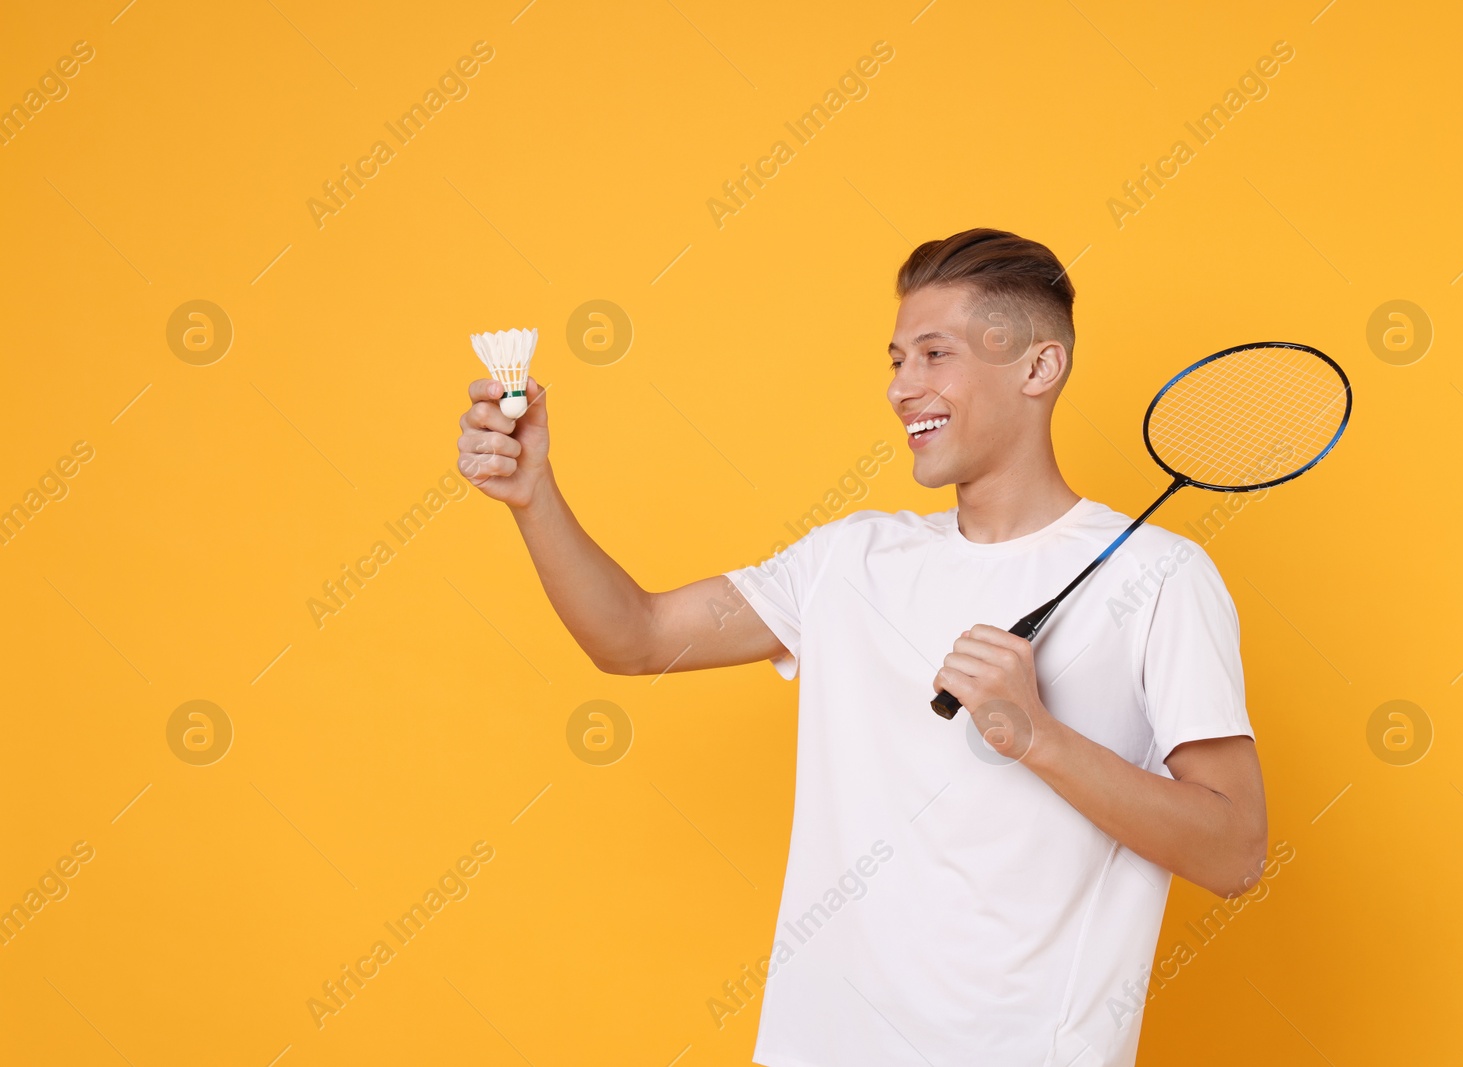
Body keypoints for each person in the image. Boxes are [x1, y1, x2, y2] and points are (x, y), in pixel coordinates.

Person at [455, 228, 1268, 1066]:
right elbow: (635, 636)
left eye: (933, 354)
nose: (901, 387)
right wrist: (533, 495)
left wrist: (1038, 735)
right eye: (895, 360)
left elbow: (1236, 848)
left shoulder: (1163, 576)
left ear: (1037, 367)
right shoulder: (850, 559)